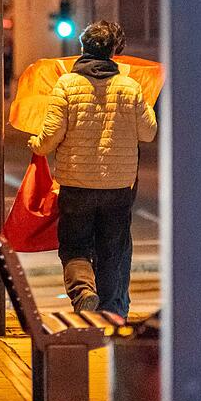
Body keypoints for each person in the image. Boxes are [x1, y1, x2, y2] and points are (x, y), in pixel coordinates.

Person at [29, 21, 157, 317]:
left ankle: (83, 290)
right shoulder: (130, 87)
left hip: (76, 186)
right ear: (114, 52)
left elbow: (49, 138)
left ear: (83, 48)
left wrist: (36, 143)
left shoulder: (66, 85)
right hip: (118, 187)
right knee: (112, 251)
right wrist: (141, 104)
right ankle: (110, 313)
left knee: (74, 246)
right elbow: (148, 132)